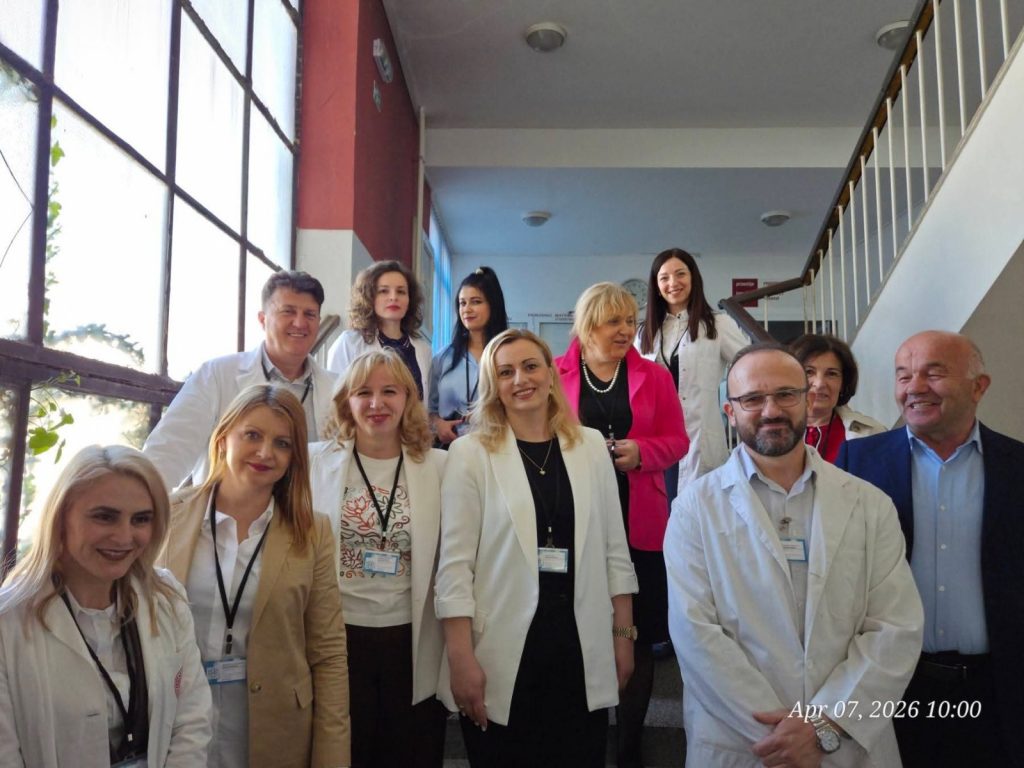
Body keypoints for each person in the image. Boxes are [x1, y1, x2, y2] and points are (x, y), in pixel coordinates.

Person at [666, 342, 923, 767]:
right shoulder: (693, 509)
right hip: (745, 742)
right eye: (752, 398)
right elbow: (696, 636)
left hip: (847, 739)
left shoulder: (870, 504)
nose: (771, 410)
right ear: (730, 412)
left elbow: (894, 626)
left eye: (786, 394)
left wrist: (824, 725)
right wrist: (785, 739)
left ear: (807, 400)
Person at [436, 329, 638, 767]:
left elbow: (615, 551)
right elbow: (454, 567)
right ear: (493, 385)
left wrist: (624, 635)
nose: (520, 379)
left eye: (530, 366)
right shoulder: (470, 454)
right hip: (502, 650)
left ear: (550, 372)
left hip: (579, 643)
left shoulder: (590, 446)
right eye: (505, 372)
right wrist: (460, 656)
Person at [836, 330, 1024, 768]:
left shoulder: (1016, 467)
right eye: (903, 376)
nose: (915, 387)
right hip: (892, 688)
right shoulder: (857, 463)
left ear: (979, 387)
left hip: (996, 690)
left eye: (934, 373)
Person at [161, 384, 350, 768]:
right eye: (252, 435)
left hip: (275, 732)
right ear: (223, 438)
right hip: (173, 726)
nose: (266, 452)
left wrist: (332, 757)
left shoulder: (313, 532)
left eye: (282, 443)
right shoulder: (167, 515)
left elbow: (328, 653)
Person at [0, 445, 212, 767]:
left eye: (141, 519)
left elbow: (192, 719)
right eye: (104, 516)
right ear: (61, 517)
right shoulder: (9, 621)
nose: (124, 537)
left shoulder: (167, 599)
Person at [555, 282, 687, 768]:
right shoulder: (553, 373)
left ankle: (630, 745)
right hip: (573, 519)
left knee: (641, 634)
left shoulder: (654, 376)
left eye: (630, 321)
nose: (625, 330)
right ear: (588, 325)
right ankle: (581, 736)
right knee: (577, 626)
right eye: (614, 321)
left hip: (641, 519)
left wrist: (642, 452)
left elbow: (678, 440)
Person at [309, 349, 448, 768]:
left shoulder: (440, 466)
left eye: (390, 391)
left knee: (410, 752)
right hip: (338, 636)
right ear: (345, 401)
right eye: (363, 392)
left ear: (408, 398)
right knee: (347, 752)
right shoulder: (315, 462)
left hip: (412, 636)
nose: (376, 403)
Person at [143, 270, 337, 490]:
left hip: (310, 510)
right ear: (263, 320)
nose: (300, 323)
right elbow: (168, 452)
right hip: (227, 511)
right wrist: (139, 504)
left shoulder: (339, 388)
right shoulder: (216, 376)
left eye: (309, 314)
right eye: (288, 311)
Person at [636, 248, 749, 497]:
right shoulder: (644, 332)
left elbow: (750, 365)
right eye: (664, 277)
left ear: (693, 278)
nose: (673, 283)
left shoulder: (718, 324)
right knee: (659, 508)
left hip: (699, 437)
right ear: (656, 286)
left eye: (680, 274)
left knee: (698, 507)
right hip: (655, 439)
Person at [327, 260, 433, 404]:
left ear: (410, 300)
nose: (393, 297)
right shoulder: (349, 343)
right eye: (384, 291)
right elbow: (334, 400)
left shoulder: (423, 350)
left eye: (401, 291)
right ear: (369, 297)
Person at [428, 266, 509, 446]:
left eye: (476, 302)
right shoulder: (443, 358)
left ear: (493, 305)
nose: (467, 309)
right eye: (462, 303)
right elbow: (429, 410)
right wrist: (438, 425)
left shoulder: (508, 355)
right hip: (450, 448)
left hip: (496, 445)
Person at [789, 333, 885, 462]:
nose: (820, 383)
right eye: (809, 372)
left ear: (843, 383)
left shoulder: (874, 435)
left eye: (831, 374)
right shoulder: (770, 429)